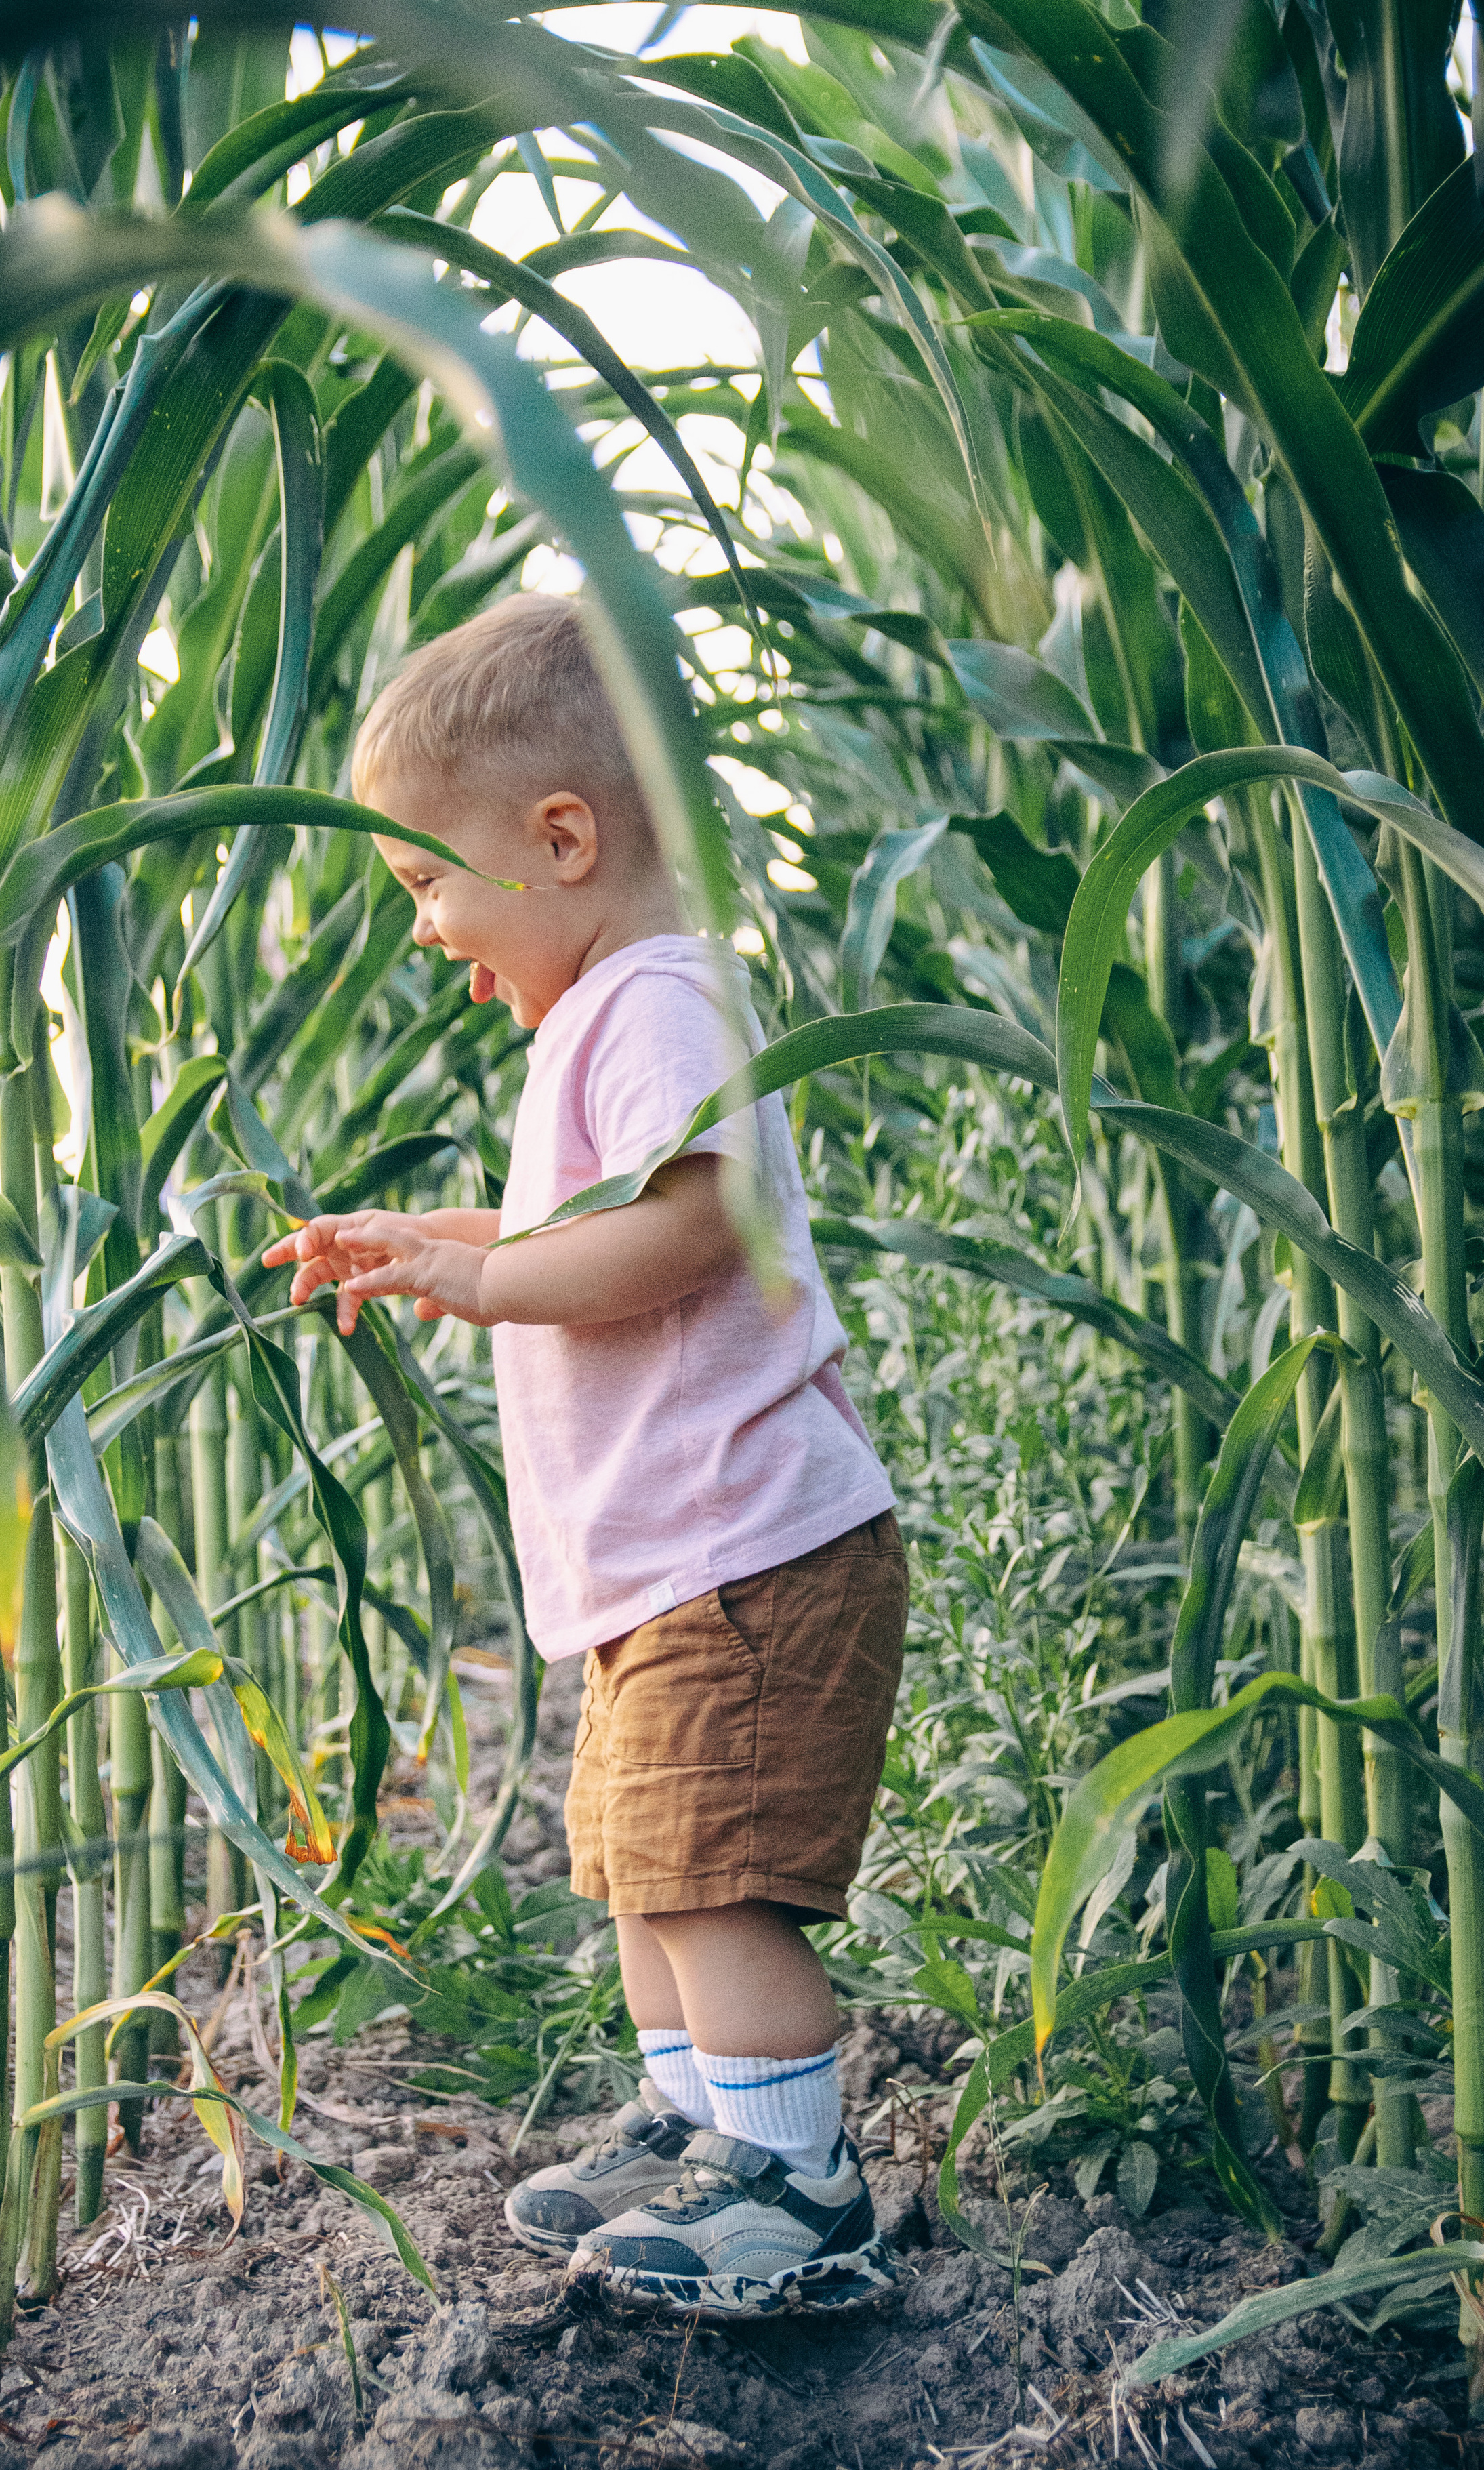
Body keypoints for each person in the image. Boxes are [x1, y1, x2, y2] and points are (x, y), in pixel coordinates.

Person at [262, 592, 908, 2318]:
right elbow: (584, 1222)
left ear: (561, 838)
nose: (421, 932)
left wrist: (481, 1280)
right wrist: (434, 1237)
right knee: (635, 1862)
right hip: (661, 1566)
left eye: (423, 882)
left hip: (744, 1552)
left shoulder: (661, 1000)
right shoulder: (599, 1020)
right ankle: (691, 2125)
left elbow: (698, 1218)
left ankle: (797, 2183)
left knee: (711, 1878)